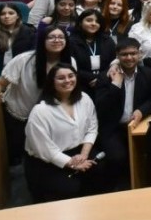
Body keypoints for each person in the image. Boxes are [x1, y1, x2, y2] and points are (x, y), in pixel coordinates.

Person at [0, 26, 75, 165]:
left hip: (49, 118)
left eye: (61, 37)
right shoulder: (24, 59)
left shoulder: (70, 62)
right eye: (51, 37)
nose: (57, 40)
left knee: (44, 157)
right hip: (19, 118)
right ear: (42, 40)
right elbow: (0, 84)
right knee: (18, 159)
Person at [24, 64, 104, 203]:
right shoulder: (40, 111)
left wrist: (84, 155)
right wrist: (72, 164)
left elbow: (92, 128)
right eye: (61, 78)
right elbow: (45, 150)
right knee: (68, 188)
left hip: (79, 150)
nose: (67, 80)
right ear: (51, 82)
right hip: (47, 160)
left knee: (101, 170)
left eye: (71, 76)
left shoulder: (84, 98)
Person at [94, 38, 151, 188]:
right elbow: (101, 106)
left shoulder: (148, 73)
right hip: (113, 128)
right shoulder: (105, 77)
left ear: (139, 54)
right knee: (118, 158)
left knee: (149, 154)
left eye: (133, 53)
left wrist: (141, 111)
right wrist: (116, 85)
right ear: (117, 56)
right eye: (124, 54)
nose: (129, 58)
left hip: (139, 125)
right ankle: (120, 189)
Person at [0, 3, 36, 72]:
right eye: (2, 14)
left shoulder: (29, 32)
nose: (6, 16)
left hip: (22, 72)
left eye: (11, 13)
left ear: (17, 16)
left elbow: (34, 55)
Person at [70, 8, 115, 95]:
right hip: (80, 86)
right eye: (89, 20)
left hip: (105, 84)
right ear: (80, 22)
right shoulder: (71, 42)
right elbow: (71, 67)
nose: (93, 24)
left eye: (97, 21)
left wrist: (101, 79)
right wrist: (92, 78)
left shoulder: (107, 40)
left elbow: (113, 63)